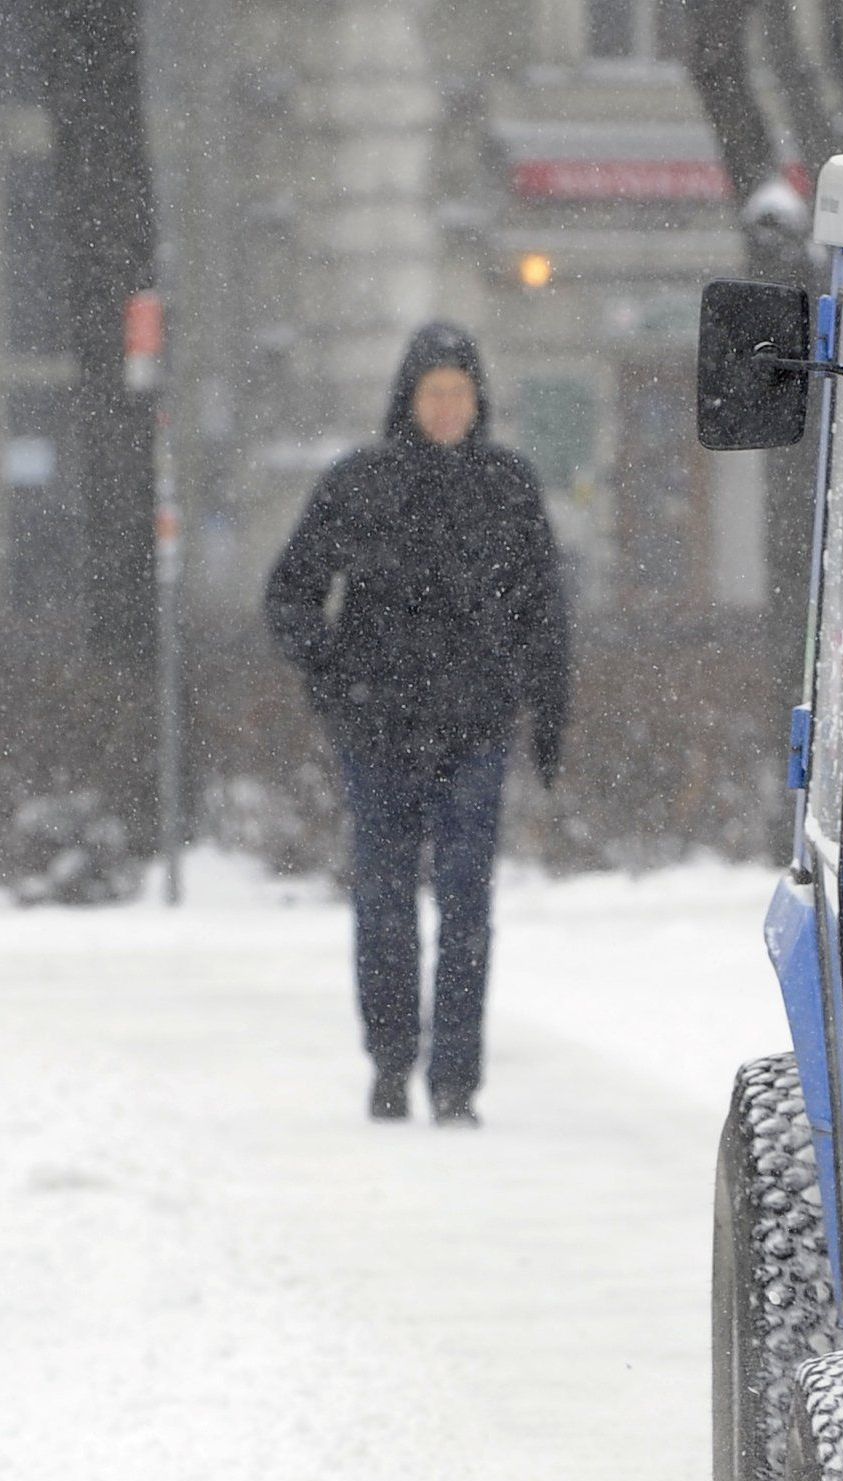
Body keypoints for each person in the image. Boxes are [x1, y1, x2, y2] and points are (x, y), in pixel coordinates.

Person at [265, 322, 568, 1127]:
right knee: (386, 903)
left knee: (469, 903)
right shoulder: (358, 483)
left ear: (479, 401)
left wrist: (548, 713)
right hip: (377, 732)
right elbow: (290, 592)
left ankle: (457, 1078)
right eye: (432, 392)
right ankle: (392, 1062)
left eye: (459, 393)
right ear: (408, 399)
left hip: (475, 730)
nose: (445, 408)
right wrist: (335, 676)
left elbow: (545, 612)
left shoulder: (508, 485)